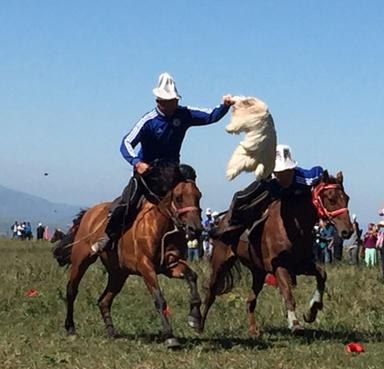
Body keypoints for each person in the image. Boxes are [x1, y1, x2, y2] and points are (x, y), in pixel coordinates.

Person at [91, 73, 234, 254]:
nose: (173, 103)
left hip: (171, 172)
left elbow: (210, 116)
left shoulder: (184, 114)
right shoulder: (148, 121)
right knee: (127, 202)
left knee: (190, 191)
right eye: (168, 100)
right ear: (159, 101)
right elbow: (126, 142)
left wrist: (225, 106)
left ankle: (194, 229)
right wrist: (137, 162)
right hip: (148, 173)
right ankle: (108, 237)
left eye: (174, 100)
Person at [215, 145, 325, 243]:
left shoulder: (307, 178)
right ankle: (233, 226)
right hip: (272, 195)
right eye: (279, 173)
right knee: (243, 197)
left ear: (292, 170)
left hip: (295, 202)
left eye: (287, 172)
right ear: (274, 173)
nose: (283, 177)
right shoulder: (268, 181)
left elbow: (319, 171)